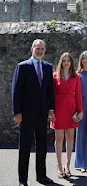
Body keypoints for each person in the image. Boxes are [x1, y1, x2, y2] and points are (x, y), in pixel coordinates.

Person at [11, 39, 55, 186]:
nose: (40, 51)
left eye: (42, 48)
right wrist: (17, 112)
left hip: (42, 114)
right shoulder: (22, 67)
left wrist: (51, 109)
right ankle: (22, 180)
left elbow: (50, 92)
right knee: (24, 146)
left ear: (45, 50)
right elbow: (16, 91)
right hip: (27, 114)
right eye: (38, 48)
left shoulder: (48, 67)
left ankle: (41, 176)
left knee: (42, 146)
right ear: (32, 49)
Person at [50, 52, 83, 178]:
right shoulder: (54, 76)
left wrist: (80, 111)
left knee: (70, 136)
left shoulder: (76, 77)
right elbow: (51, 95)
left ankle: (67, 165)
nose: (66, 63)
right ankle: (59, 166)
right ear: (61, 62)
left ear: (71, 62)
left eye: (68, 60)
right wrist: (51, 110)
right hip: (58, 109)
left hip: (71, 109)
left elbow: (79, 95)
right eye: (64, 60)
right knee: (59, 138)